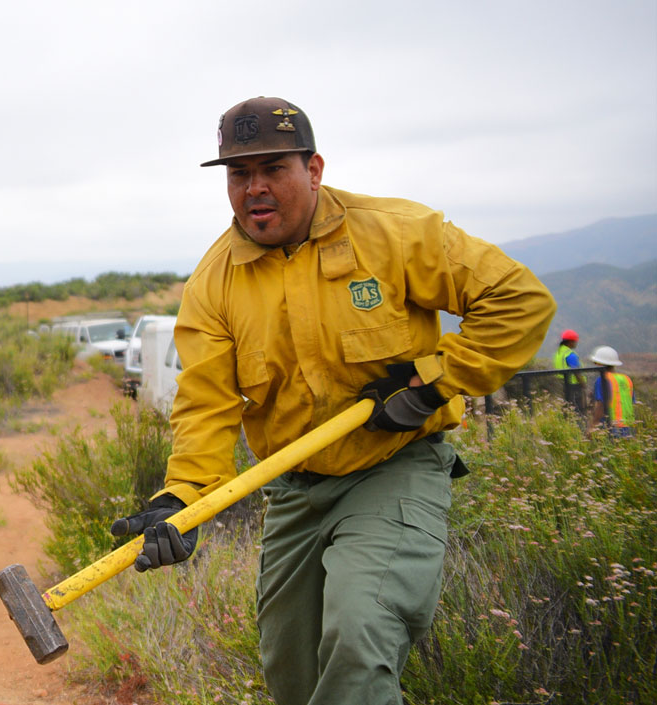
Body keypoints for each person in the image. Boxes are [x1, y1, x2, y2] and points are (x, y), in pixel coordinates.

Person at [107, 97, 555, 704]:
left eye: (274, 170)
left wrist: (434, 382)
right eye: (240, 175)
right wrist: (183, 500)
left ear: (313, 169)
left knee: (358, 633)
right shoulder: (214, 284)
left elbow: (519, 299)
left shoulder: (394, 233)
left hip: (393, 467)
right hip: (295, 486)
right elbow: (206, 406)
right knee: (293, 675)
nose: (256, 189)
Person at [588, 345, 635, 438]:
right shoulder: (626, 379)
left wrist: (592, 427)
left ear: (600, 363)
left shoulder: (602, 379)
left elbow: (600, 405)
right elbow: (632, 403)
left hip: (612, 426)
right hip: (629, 426)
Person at [553, 329, 583, 408]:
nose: (576, 343)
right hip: (574, 385)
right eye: (575, 341)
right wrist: (583, 384)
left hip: (561, 384)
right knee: (577, 408)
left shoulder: (559, 353)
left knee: (567, 407)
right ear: (570, 342)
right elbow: (577, 372)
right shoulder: (570, 354)